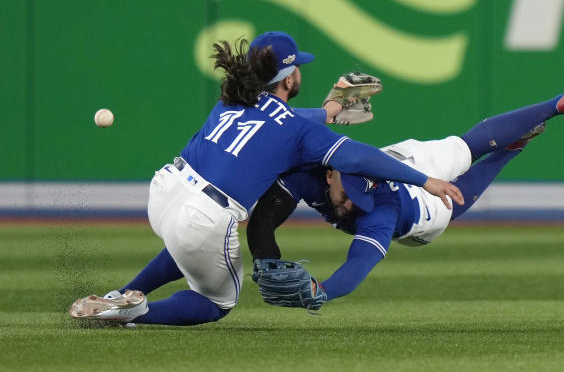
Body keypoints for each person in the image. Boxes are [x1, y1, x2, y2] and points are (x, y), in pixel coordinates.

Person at [68, 31, 462, 325]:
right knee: (216, 302)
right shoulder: (296, 128)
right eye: (298, 69)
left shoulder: (232, 98)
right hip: (205, 214)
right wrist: (425, 180)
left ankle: (118, 295)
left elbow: (281, 121)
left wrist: (328, 110)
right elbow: (358, 155)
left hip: (165, 192)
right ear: (289, 79)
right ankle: (133, 313)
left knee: (191, 249)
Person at [247, 78, 564, 306]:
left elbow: (358, 263)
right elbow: (265, 213)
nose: (350, 203)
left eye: (358, 196)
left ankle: (556, 107)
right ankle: (517, 139)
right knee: (466, 148)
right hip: (400, 159)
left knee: (454, 193)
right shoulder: (311, 173)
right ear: (329, 175)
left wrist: (321, 291)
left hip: (418, 204)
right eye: (348, 194)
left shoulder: (379, 212)